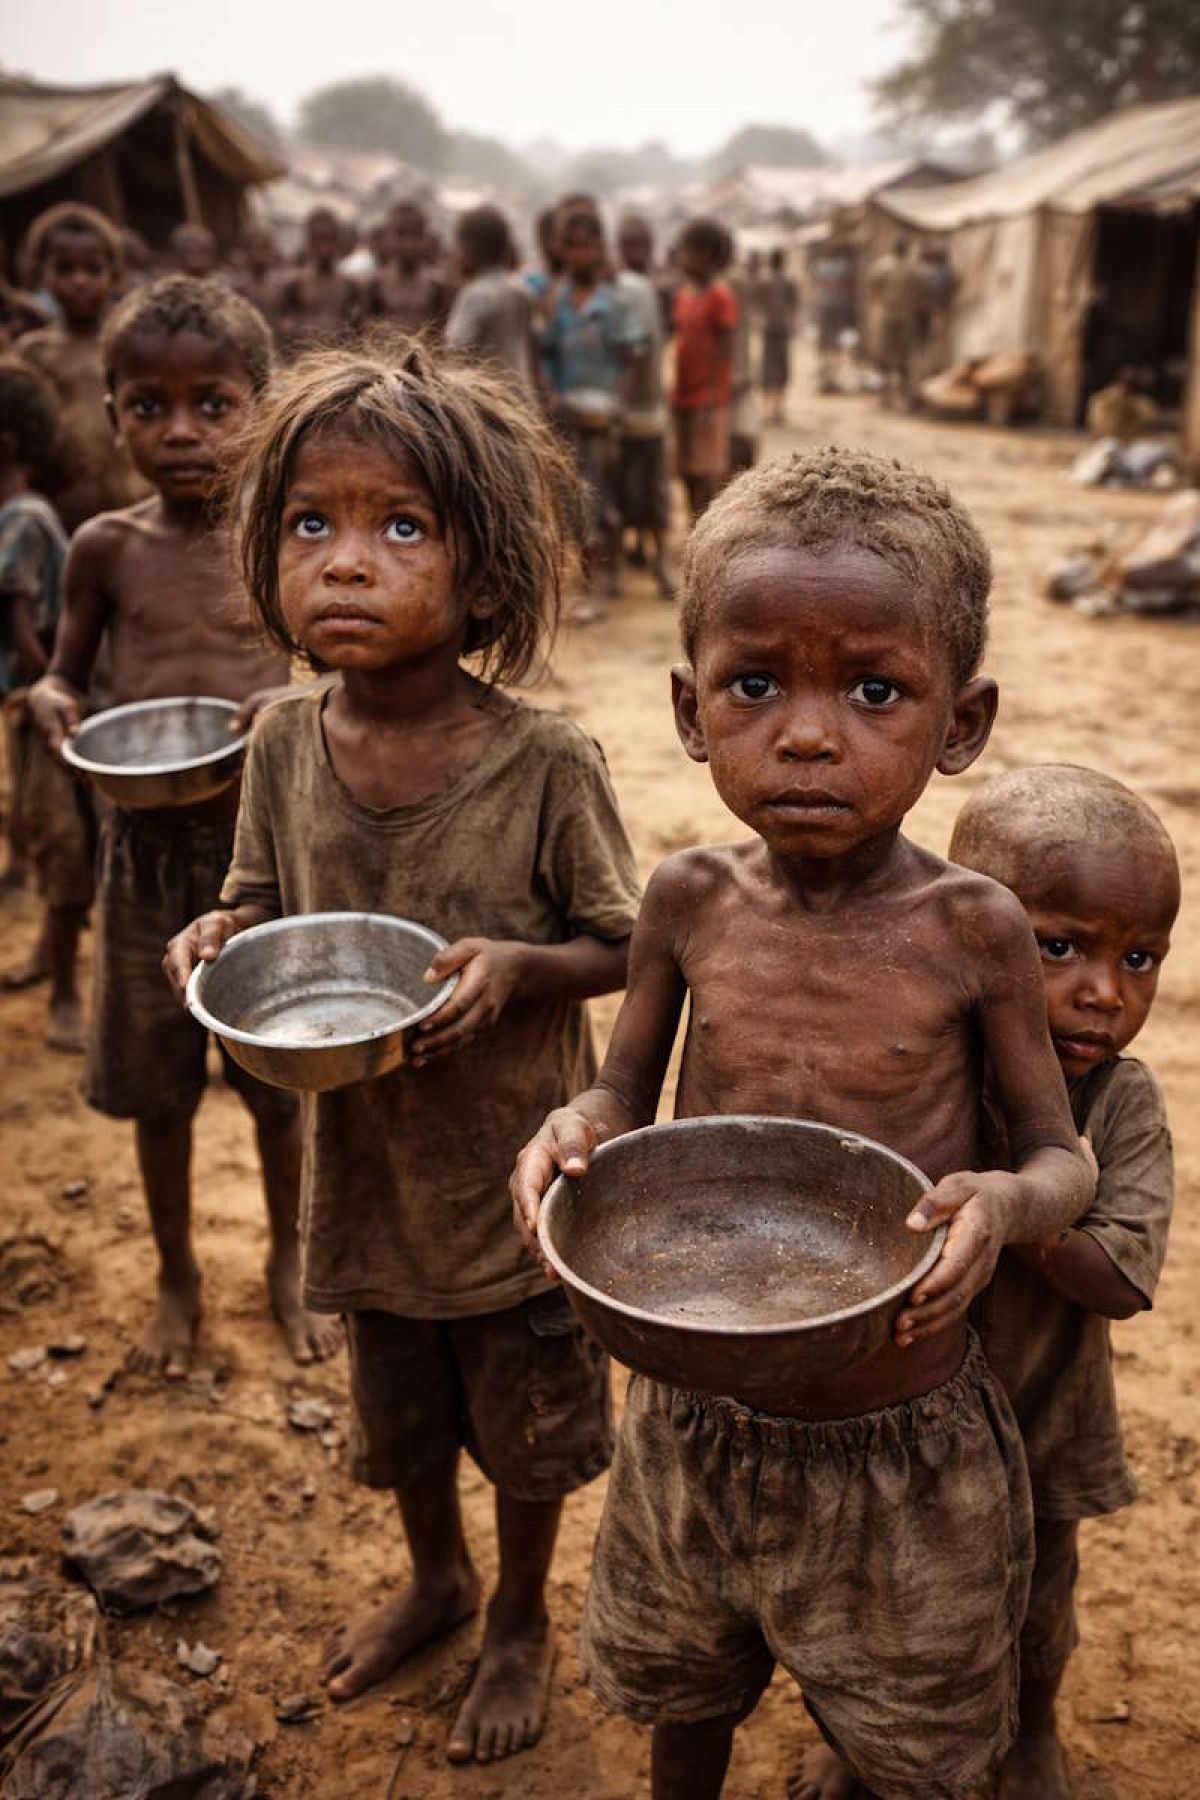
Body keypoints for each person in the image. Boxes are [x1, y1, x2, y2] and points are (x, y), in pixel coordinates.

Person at [512, 447, 1094, 1800]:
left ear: (961, 723)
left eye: (875, 691)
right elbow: (622, 1094)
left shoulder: (976, 929)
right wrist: (571, 1127)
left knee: (905, 1730)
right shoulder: (687, 901)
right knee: (684, 1686)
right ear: (689, 707)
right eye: (756, 685)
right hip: (693, 1406)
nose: (811, 735)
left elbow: (1060, 1158)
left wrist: (1002, 1206)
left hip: (898, 1424)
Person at [162, 343, 641, 1764]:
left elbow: (627, 946)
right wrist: (219, 935)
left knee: (526, 1416)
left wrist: (521, 968)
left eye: (402, 527)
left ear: (484, 577)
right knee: (402, 1402)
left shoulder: (544, 764)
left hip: (509, 1183)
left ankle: (520, 1614)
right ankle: (438, 1578)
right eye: (311, 524)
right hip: (367, 1174)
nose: (347, 562)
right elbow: (260, 900)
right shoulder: (283, 743)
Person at [26, 275, 336, 1378]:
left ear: (259, 404)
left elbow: (337, 670)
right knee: (159, 1090)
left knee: (277, 1090)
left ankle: (288, 1264)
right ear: (111, 415)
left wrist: (294, 699)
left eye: (213, 403)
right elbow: (65, 676)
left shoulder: (285, 538)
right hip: (141, 856)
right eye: (148, 406)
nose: (181, 431)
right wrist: (53, 701)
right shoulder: (104, 548)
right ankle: (176, 1276)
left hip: (268, 852)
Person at [949, 766, 1178, 1800]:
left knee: (1035, 1597)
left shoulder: (1119, 1105)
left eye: (1139, 958)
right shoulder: (924, 1065)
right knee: (886, 1599)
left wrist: (1026, 1205)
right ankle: (857, 1740)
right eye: (1060, 947)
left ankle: (1033, 1728)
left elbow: (1123, 1279)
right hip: (901, 1413)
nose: (1105, 992)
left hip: (1042, 1409)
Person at [0, 356, 94, 1050]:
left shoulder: (24, 519)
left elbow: (23, 629)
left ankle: (64, 990)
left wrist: (46, 687)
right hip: (35, 709)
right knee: (47, 836)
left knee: (63, 848)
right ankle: (48, 959)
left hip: (46, 713)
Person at [539, 205, 645, 620]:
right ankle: (591, 580)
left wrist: (618, 400)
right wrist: (550, 391)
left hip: (604, 418)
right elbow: (546, 351)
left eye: (586, 246)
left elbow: (633, 355)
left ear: (600, 247)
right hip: (568, 413)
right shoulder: (556, 298)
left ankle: (603, 582)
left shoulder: (615, 301)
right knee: (576, 500)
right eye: (570, 246)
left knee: (602, 498)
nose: (578, 255)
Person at [18, 203, 148, 532]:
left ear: (114, 273)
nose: (79, 281)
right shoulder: (34, 353)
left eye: (93, 269)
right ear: (41, 274)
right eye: (65, 269)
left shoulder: (134, 343)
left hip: (138, 508)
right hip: (67, 513)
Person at [615, 215, 673, 599]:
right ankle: (628, 556)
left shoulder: (657, 289)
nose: (634, 252)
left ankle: (660, 561)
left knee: (654, 489)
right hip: (622, 409)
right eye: (628, 245)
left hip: (651, 406)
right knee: (624, 487)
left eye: (639, 244)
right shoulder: (617, 291)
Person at [671, 217, 738, 523]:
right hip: (683, 394)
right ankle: (692, 518)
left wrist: (712, 388)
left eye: (687, 252)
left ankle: (706, 522)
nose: (682, 259)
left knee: (706, 468)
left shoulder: (720, 296)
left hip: (708, 398)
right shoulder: (684, 295)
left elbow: (726, 344)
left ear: (707, 255)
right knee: (685, 467)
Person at [444, 204, 537, 393]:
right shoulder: (522, 290)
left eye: (457, 245)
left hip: (488, 400)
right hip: (520, 396)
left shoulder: (475, 295)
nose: (453, 253)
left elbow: (455, 351)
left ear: (470, 250)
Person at [276, 207, 363, 359]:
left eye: (330, 239)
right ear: (309, 241)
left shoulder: (351, 285)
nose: (324, 247)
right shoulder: (294, 284)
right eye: (319, 239)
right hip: (304, 359)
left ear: (338, 241)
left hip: (339, 359)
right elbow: (284, 325)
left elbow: (360, 326)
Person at [369, 200, 452, 338]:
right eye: (401, 234)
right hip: (384, 351)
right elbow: (367, 332)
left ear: (426, 238)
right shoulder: (375, 285)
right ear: (388, 237)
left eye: (416, 235)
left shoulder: (437, 287)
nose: (409, 244)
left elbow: (440, 334)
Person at [868, 236, 921, 410]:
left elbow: (873, 288)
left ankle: (885, 398)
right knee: (902, 357)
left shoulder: (883, 266)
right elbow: (918, 290)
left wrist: (880, 302)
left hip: (889, 315)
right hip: (904, 317)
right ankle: (901, 398)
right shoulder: (911, 268)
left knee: (886, 355)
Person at [758, 247, 798, 426]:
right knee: (780, 368)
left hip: (770, 329)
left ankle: (769, 410)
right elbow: (794, 305)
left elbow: (758, 305)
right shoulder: (788, 282)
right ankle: (777, 410)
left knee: (770, 368)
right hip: (780, 329)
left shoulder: (764, 281)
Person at [232, 223, 282, 326]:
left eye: (264, 247)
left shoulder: (283, 284)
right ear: (246, 251)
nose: (260, 253)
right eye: (255, 247)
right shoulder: (238, 285)